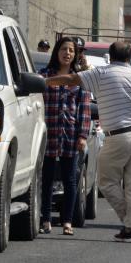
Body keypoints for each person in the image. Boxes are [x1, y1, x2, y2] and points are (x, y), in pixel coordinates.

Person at [45, 41, 131, 243]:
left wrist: (46, 82)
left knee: (106, 182)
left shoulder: (101, 74)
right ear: (129, 58)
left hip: (117, 136)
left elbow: (71, 79)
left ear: (110, 55)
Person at [38, 37, 91, 236]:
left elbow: (85, 110)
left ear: (75, 55)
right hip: (47, 134)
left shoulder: (80, 79)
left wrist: (83, 135)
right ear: (56, 52)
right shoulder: (43, 75)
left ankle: (67, 221)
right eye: (63, 49)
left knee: (70, 180)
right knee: (47, 178)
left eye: (71, 50)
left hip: (70, 135)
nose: (67, 53)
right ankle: (44, 220)